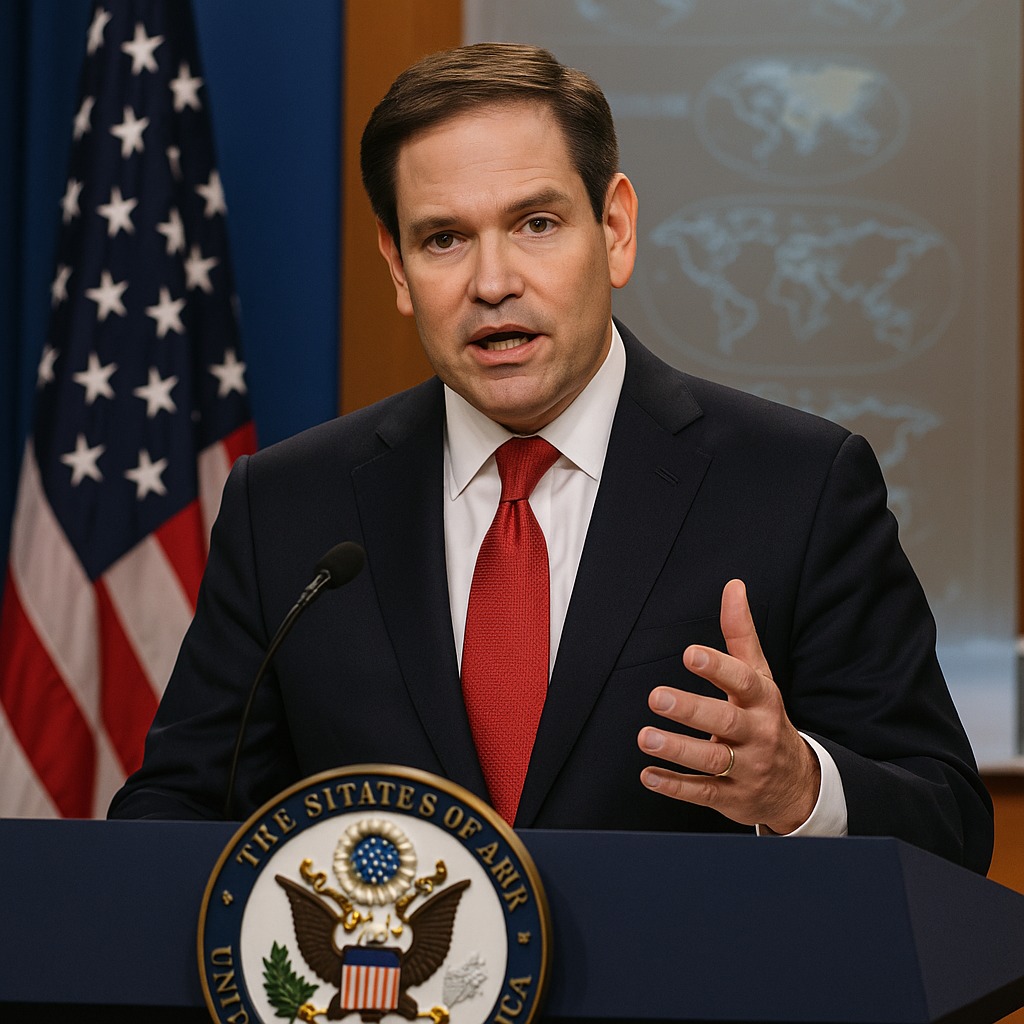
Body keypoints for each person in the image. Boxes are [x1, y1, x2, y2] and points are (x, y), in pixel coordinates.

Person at [109, 43, 992, 873]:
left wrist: (799, 788)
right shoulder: (290, 507)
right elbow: (176, 812)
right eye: (444, 238)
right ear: (396, 265)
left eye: (535, 223)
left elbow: (949, 827)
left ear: (614, 229)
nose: (492, 282)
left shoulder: (797, 486)